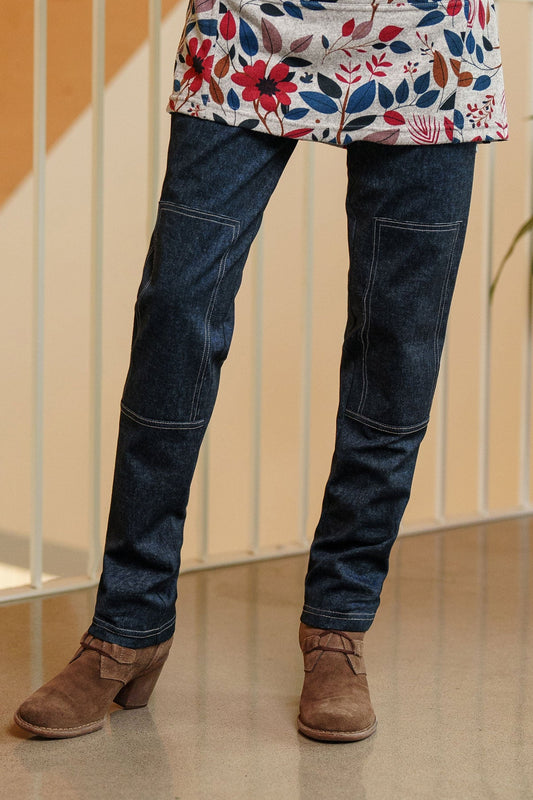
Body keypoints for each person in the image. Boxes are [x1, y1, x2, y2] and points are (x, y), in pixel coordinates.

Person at [14, 0, 507, 742]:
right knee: (177, 311)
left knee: (396, 344)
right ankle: (127, 625)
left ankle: (337, 629)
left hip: (428, 39)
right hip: (249, 25)